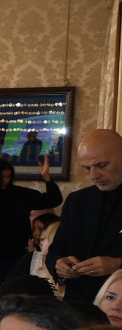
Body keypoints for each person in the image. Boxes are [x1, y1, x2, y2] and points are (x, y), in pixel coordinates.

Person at [51, 129, 122, 304]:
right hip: (78, 307)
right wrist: (59, 264)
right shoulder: (77, 201)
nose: (94, 176)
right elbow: (57, 249)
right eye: (87, 168)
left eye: (102, 165)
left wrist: (118, 265)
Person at [0, 155, 61, 288]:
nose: (5, 180)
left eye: (8, 177)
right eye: (2, 177)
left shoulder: (19, 194)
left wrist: (47, 178)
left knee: (9, 292)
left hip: (13, 254)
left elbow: (54, 199)